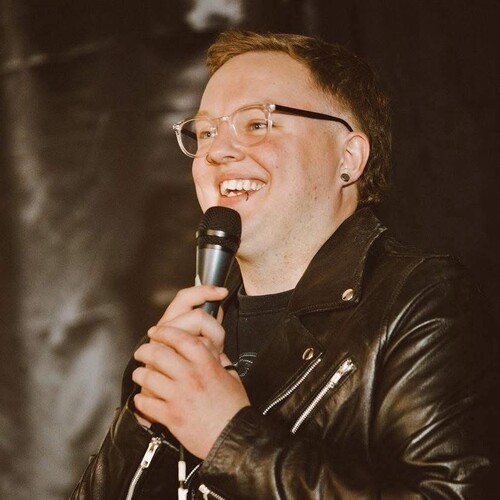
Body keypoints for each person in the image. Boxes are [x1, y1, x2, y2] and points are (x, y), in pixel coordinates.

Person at [71, 31, 498, 499]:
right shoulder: (184, 341)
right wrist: (142, 422)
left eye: (257, 124)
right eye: (207, 132)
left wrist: (228, 439)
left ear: (348, 157)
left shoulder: (421, 302)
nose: (217, 151)